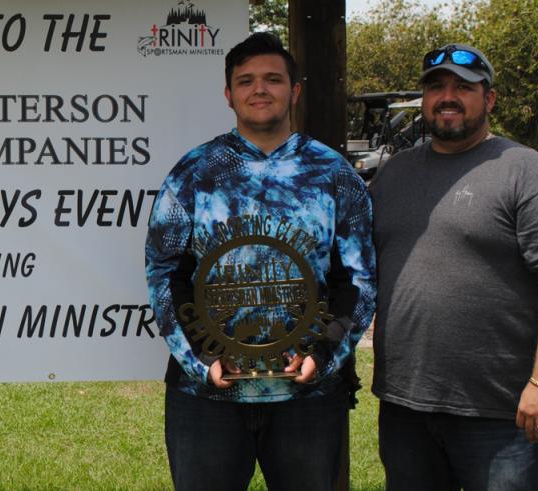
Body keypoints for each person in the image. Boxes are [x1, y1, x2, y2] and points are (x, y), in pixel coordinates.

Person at [145, 32, 376, 490]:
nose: (259, 89)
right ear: (228, 94)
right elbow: (165, 272)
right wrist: (200, 359)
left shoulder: (333, 173)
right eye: (246, 80)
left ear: (295, 90)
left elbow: (359, 279)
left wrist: (324, 354)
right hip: (207, 396)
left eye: (273, 79)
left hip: (306, 397)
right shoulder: (194, 172)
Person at [369, 43, 538, 491]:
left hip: (501, 412)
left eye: (463, 87)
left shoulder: (527, 172)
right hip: (405, 407)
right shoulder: (393, 174)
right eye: (436, 87)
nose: (447, 97)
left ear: (489, 98)